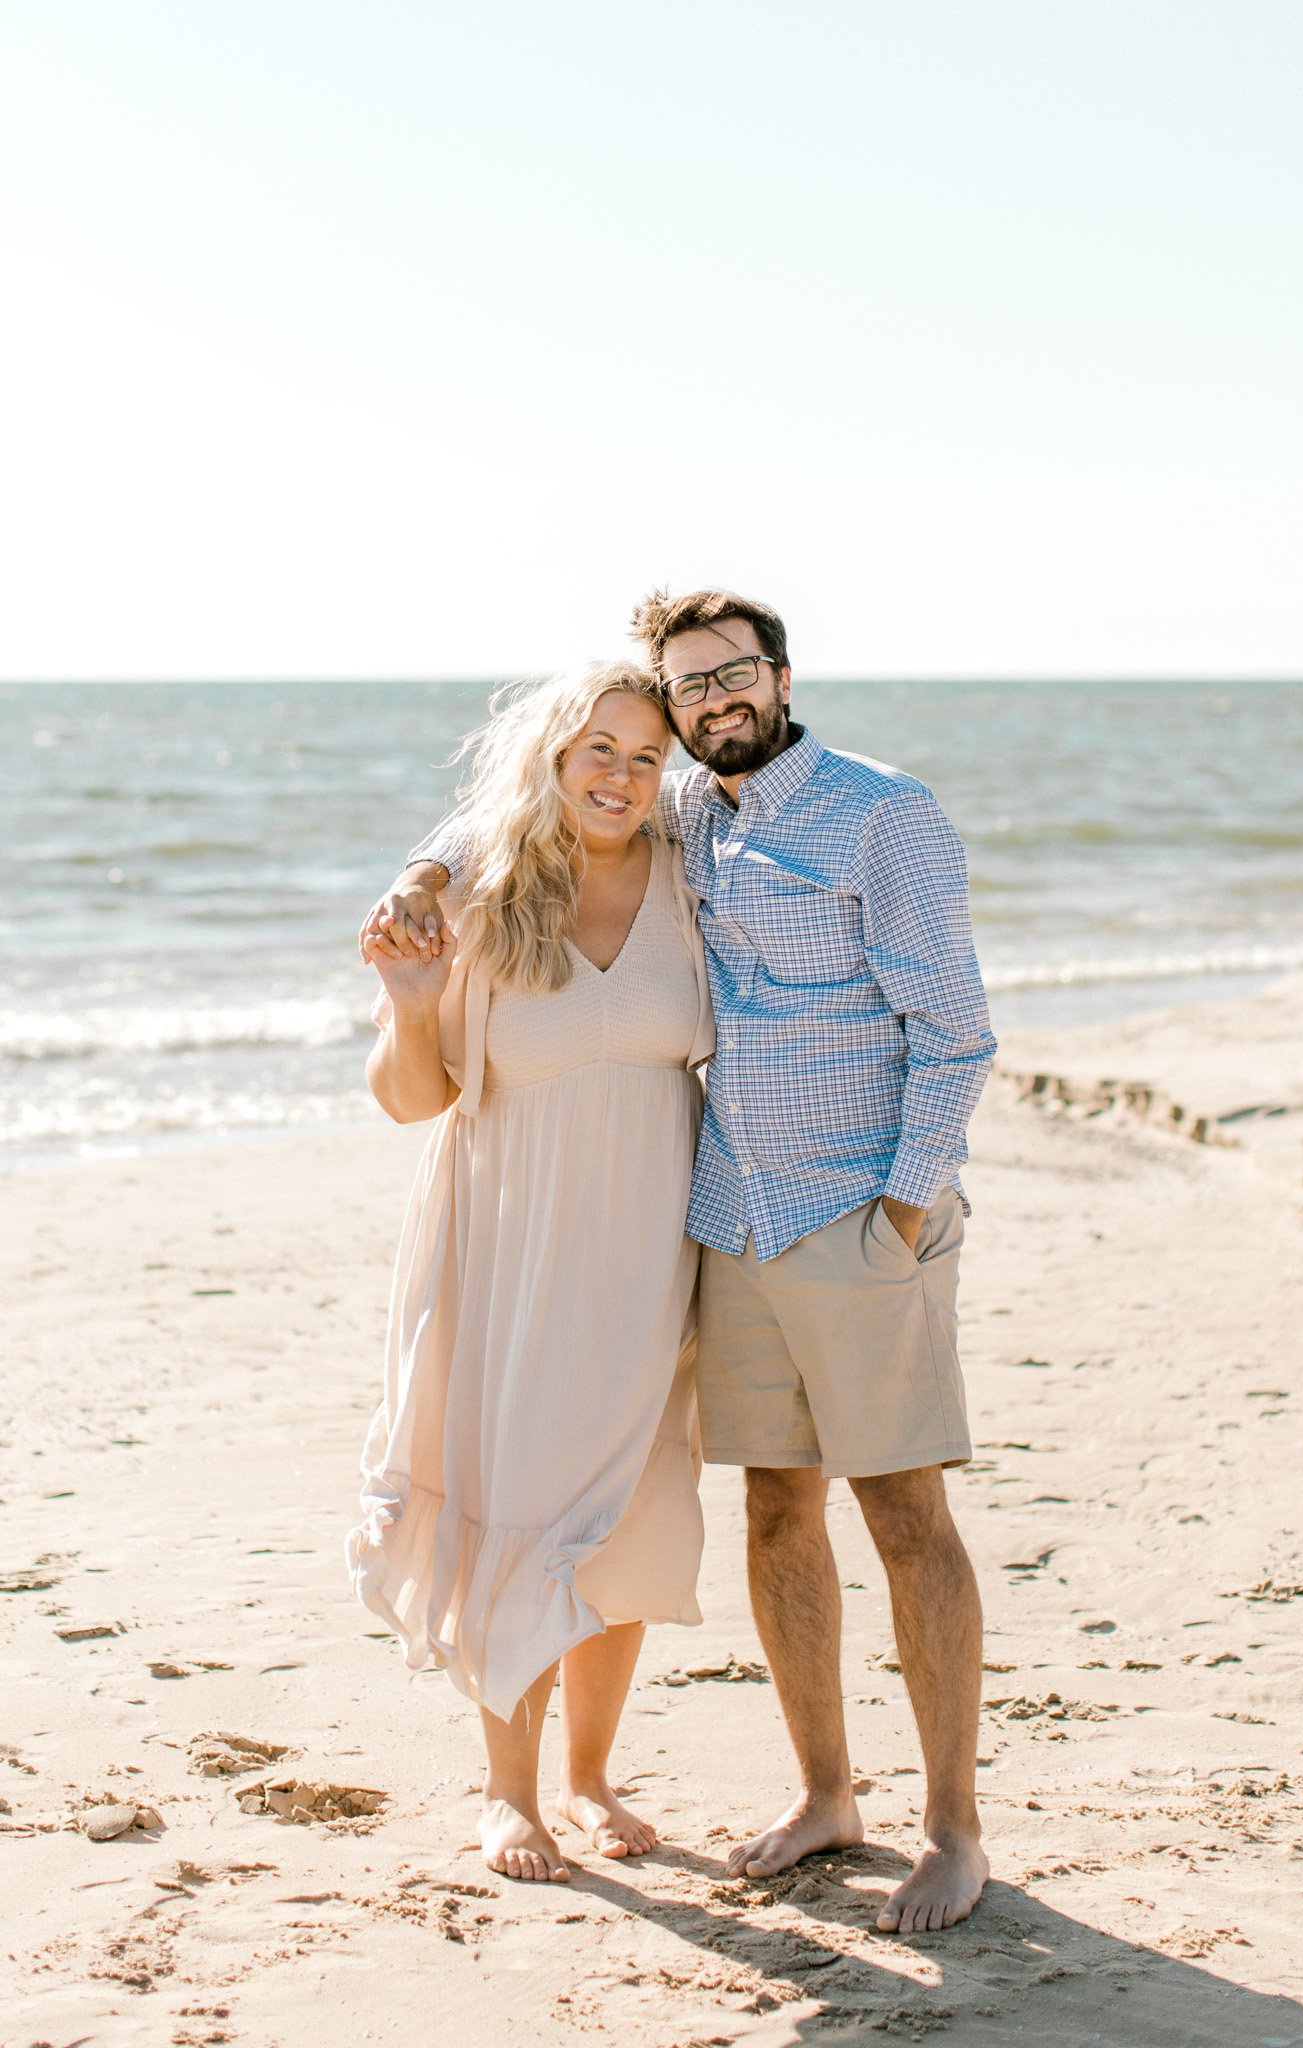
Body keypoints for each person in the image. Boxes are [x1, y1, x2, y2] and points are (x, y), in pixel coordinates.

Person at [366, 592, 997, 1935]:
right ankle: (812, 1795)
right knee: (766, 1507)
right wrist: (421, 886)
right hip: (700, 1223)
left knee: (878, 1512)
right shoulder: (679, 820)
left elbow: (953, 1027)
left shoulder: (860, 814)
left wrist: (905, 1199)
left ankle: (951, 1830)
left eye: (733, 677)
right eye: (684, 691)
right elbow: (514, 815)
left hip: (821, 1218)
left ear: (778, 674)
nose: (704, 712)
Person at [348, 660, 714, 1885]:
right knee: (526, 1495)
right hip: (513, 1245)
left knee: (620, 1508)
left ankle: (591, 1774)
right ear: (554, 755)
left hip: (654, 1244)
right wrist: (409, 1001)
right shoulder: (491, 897)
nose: (620, 774)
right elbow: (415, 1098)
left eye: (646, 755)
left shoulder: (691, 882)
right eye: (597, 749)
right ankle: (509, 1793)